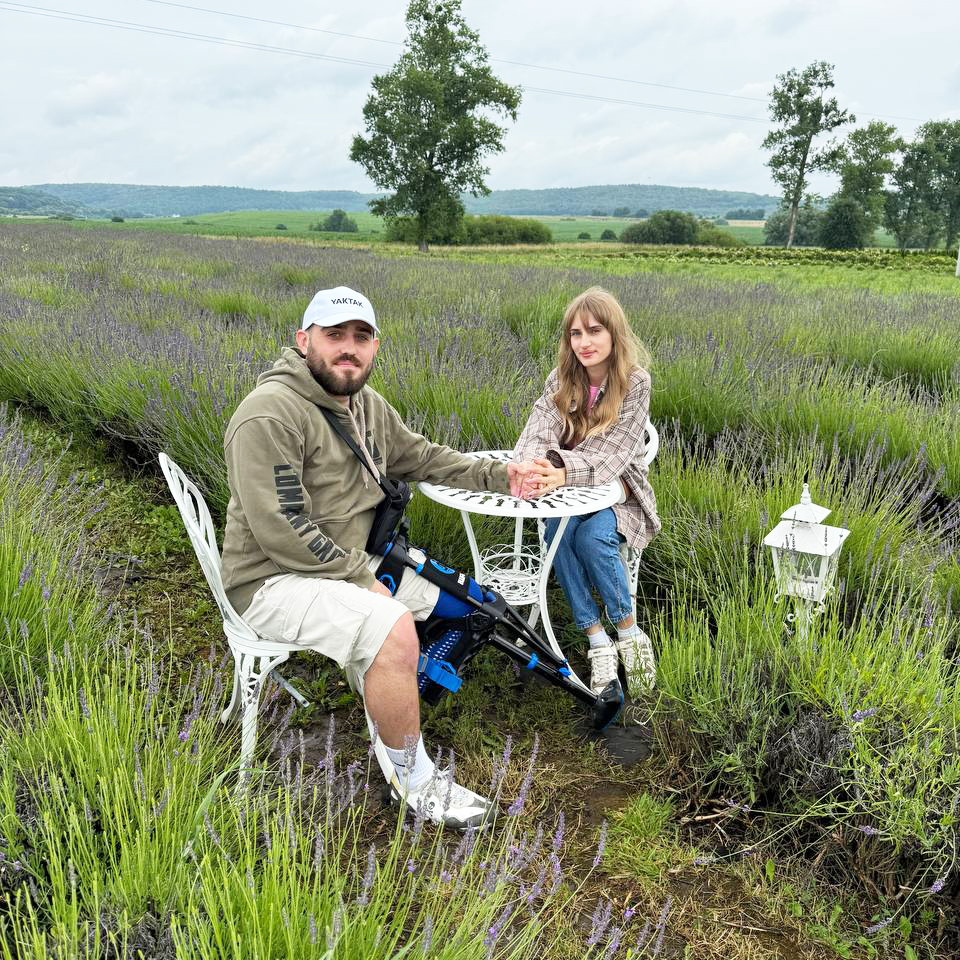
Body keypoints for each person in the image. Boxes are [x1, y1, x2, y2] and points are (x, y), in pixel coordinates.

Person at [220, 286, 534, 830]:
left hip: (346, 561)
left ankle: (385, 693)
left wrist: (500, 475)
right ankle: (413, 783)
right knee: (392, 626)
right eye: (334, 335)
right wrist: (361, 580)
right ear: (303, 341)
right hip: (271, 579)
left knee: (466, 607)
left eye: (360, 337)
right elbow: (282, 529)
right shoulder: (270, 414)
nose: (349, 348)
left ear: (375, 347)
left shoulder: (364, 405)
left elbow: (422, 457)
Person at [513, 286, 661, 696]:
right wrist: (537, 466)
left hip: (620, 491)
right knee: (557, 533)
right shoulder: (561, 379)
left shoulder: (635, 382)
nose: (584, 343)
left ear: (614, 333)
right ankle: (597, 640)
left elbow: (612, 454)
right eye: (575, 334)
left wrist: (561, 467)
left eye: (594, 331)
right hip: (565, 492)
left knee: (593, 538)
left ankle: (628, 633)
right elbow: (537, 429)